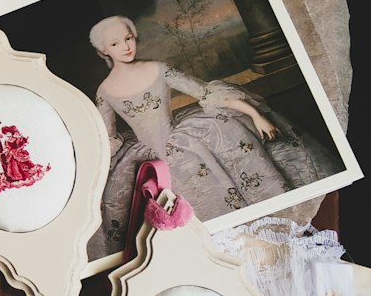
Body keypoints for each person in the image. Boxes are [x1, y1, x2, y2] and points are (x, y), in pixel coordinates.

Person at [88, 15, 334, 256]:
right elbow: (106, 138)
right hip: (148, 164)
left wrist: (254, 114)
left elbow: (204, 92)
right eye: (115, 43)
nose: (125, 46)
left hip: (186, 148)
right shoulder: (105, 90)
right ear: (104, 51)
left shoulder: (157, 68)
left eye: (128, 38)